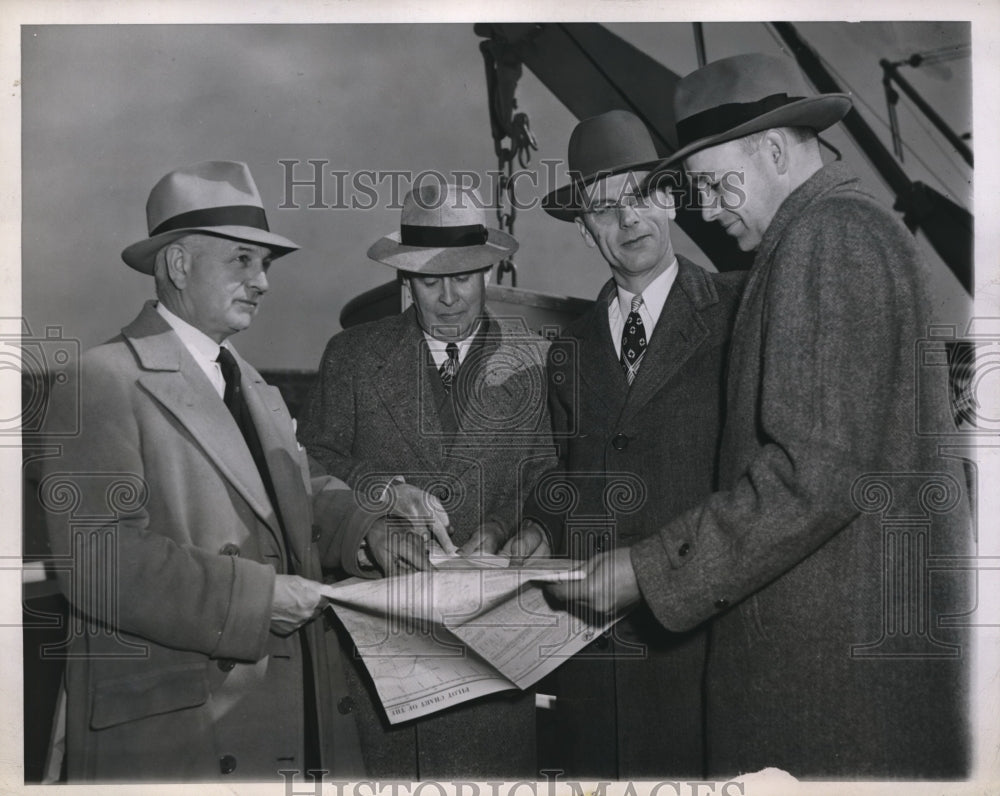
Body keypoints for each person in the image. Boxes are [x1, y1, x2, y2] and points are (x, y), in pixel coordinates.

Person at [547, 54, 972, 778]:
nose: (707, 209)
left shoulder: (825, 237)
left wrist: (648, 572)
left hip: (827, 696)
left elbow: (815, 472)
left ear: (774, 151)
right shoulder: (842, 233)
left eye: (712, 184)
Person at [38, 160, 386, 781]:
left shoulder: (251, 385)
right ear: (178, 265)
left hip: (285, 719)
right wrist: (253, 600)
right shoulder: (100, 380)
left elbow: (290, 498)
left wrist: (367, 529)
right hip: (179, 741)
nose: (263, 282)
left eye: (266, 265)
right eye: (243, 261)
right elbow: (97, 559)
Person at [297, 180, 556, 779]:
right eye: (429, 281)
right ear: (404, 280)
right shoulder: (352, 357)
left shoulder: (535, 359)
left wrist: (501, 531)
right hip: (380, 655)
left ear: (491, 271)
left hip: (491, 656)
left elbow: (545, 475)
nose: (447, 298)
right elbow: (310, 463)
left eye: (463, 278)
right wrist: (383, 494)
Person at [521, 110, 744, 778]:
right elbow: (564, 480)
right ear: (585, 227)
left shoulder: (739, 313)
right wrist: (534, 530)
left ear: (672, 197)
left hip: (706, 657)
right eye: (604, 207)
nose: (629, 220)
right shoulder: (569, 350)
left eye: (644, 194)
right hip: (598, 675)